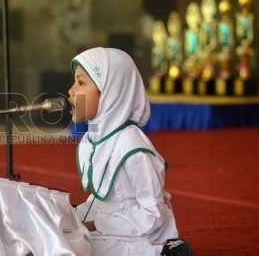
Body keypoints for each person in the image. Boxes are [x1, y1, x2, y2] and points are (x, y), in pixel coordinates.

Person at [68, 47, 191, 255]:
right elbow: (104, 201)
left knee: (72, 247)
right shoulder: (93, 140)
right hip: (109, 226)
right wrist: (70, 215)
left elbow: (153, 216)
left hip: (139, 234)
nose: (71, 90)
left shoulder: (131, 147)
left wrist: (93, 225)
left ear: (110, 92)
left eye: (81, 83)